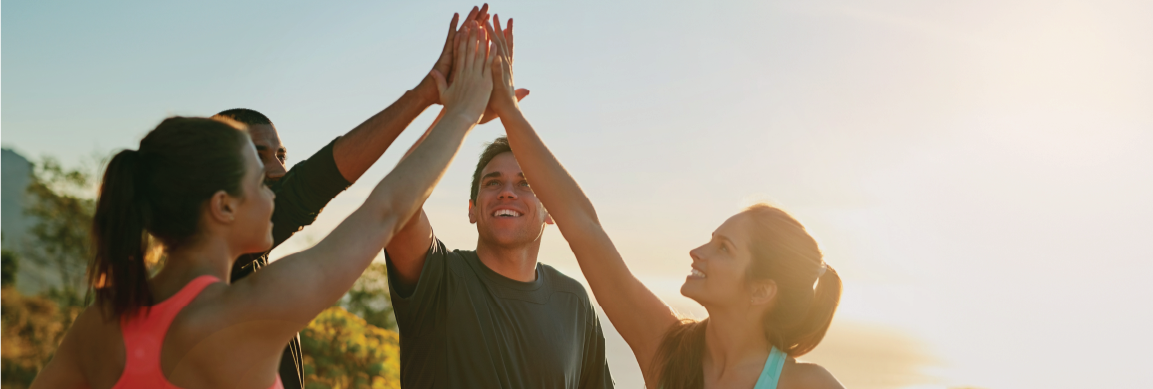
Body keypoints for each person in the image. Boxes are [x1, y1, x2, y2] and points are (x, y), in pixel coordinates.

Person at [29, 21, 494, 389]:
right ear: (223, 207)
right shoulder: (250, 308)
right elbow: (386, 211)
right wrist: (462, 113)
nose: (277, 189)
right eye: (258, 182)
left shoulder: (101, 320)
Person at [481, 17, 846, 389]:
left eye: (723, 248)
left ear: (762, 290)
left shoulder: (808, 384)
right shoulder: (670, 352)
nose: (697, 251)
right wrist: (509, 111)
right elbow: (583, 227)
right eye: (712, 239)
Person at [213, 5, 527, 388]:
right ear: (217, 196)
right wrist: (455, 111)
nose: (279, 171)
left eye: (281, 156)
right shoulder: (227, 286)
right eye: (258, 157)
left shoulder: (249, 271)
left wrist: (436, 98)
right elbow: (368, 203)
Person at [383, 15, 614, 389]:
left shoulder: (575, 302)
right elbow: (397, 203)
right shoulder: (438, 277)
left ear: (551, 210)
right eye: (493, 182)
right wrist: (459, 111)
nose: (507, 191)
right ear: (473, 208)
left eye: (525, 184)